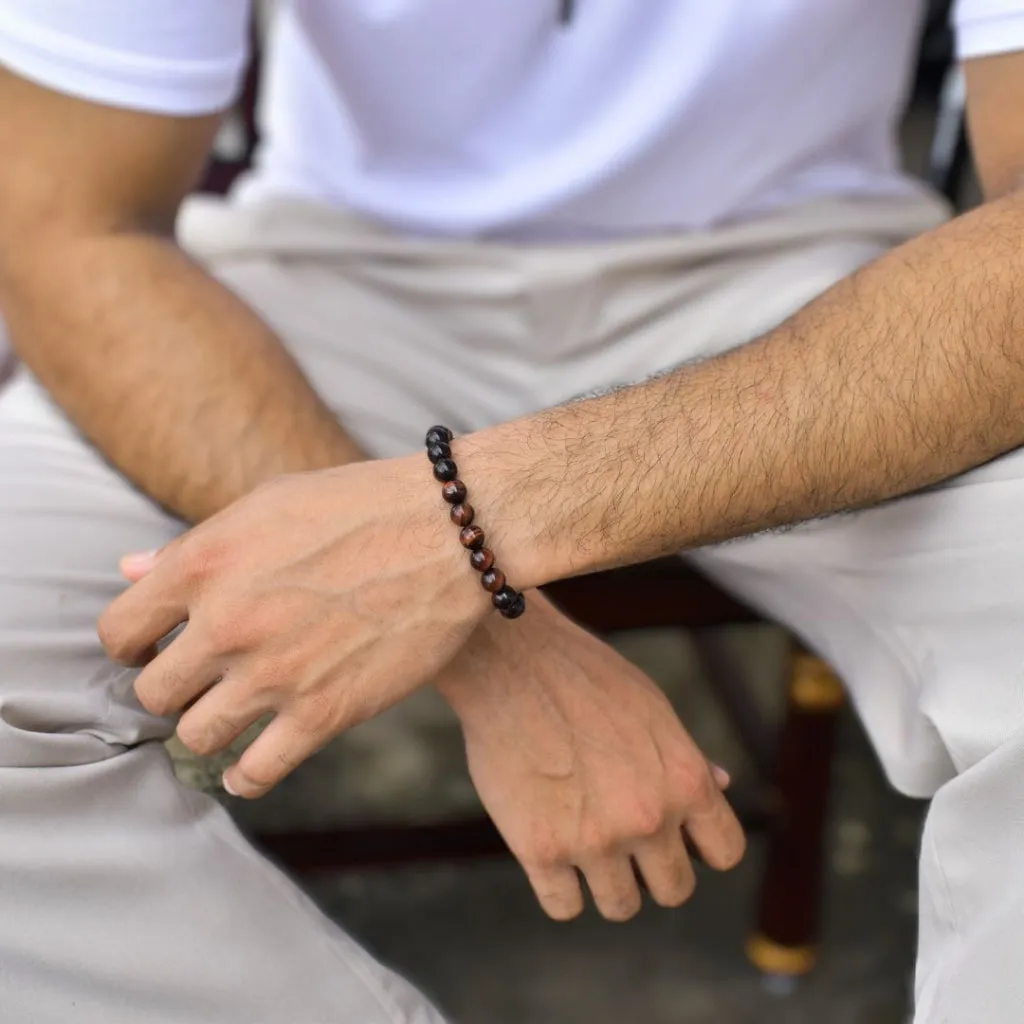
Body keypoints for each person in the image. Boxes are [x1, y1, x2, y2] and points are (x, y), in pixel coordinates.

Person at [0, 0, 1015, 1021]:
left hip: (824, 298)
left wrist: (461, 536)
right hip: (326, 278)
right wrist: (499, 647)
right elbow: (69, 223)